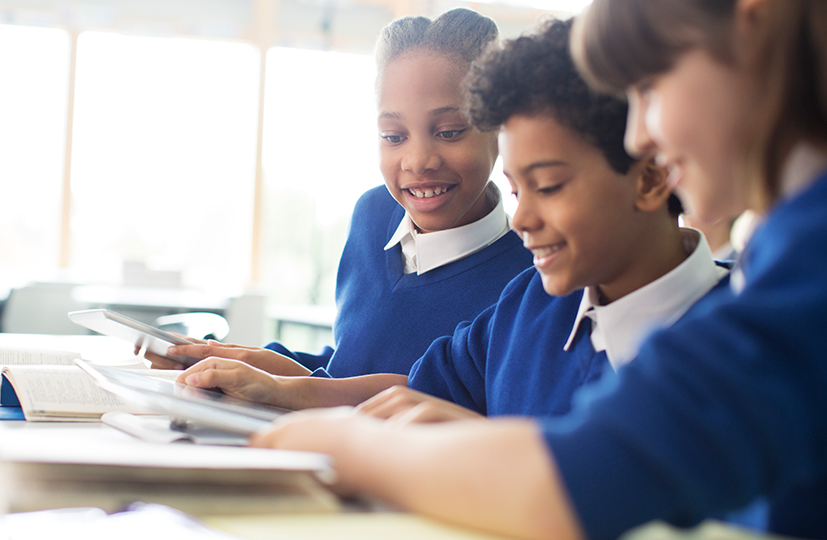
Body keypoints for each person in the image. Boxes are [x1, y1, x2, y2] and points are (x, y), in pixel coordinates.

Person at [248, 1, 827, 539]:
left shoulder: (800, 258)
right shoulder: (534, 302)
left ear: (754, 20)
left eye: (651, 85)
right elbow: (419, 390)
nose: (640, 134)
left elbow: (586, 476)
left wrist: (348, 447)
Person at [179, 19, 729, 424]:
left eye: (550, 186)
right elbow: (403, 388)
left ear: (653, 177)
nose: (526, 219)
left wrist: (486, 443)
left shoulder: (739, 335)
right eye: (517, 189)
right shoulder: (528, 304)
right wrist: (260, 378)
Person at [149, 8, 533, 384]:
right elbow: (348, 367)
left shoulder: (528, 283)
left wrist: (285, 388)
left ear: (499, 127)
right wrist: (234, 360)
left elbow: (437, 408)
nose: (418, 161)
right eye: (393, 136)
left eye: (449, 131)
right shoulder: (374, 216)